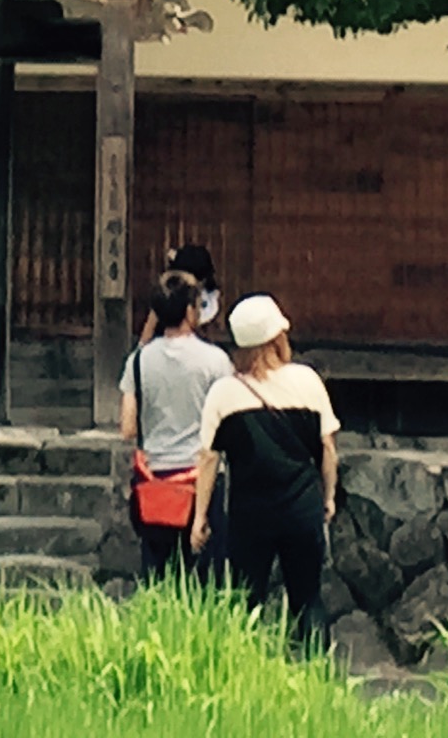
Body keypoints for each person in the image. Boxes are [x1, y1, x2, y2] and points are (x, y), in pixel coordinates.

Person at [189, 293, 338, 645]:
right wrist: (329, 497)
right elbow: (328, 449)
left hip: (250, 512)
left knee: (245, 601)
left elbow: (208, 458)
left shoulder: (224, 392)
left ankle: (245, 669)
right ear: (277, 338)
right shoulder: (308, 381)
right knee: (308, 598)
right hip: (302, 507)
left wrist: (200, 516)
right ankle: (317, 669)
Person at [121, 274, 233, 579]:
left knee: (156, 574)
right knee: (205, 578)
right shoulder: (216, 361)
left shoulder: (138, 361)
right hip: (202, 479)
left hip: (155, 480)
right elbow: (228, 419)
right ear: (189, 310)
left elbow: (128, 427)